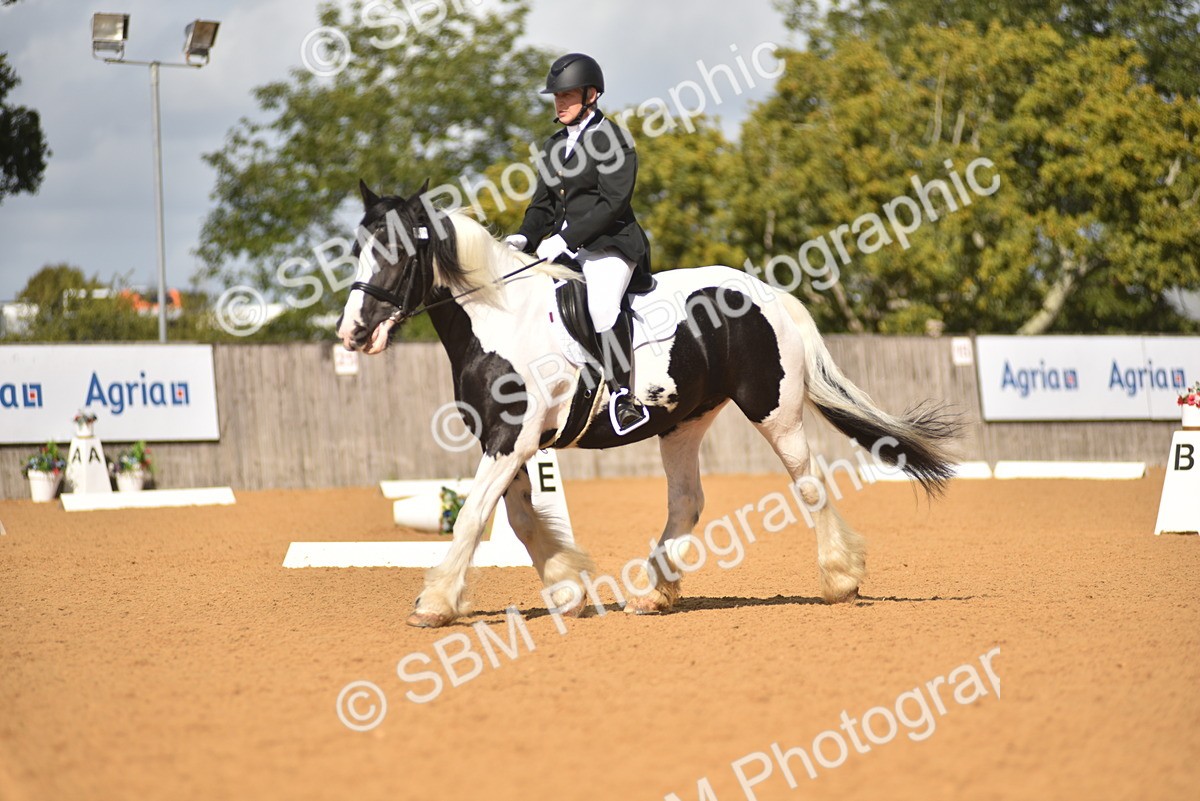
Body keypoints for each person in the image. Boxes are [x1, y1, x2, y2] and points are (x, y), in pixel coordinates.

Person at [505, 53, 652, 436]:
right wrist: (525, 236)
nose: (560, 103)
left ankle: (623, 397)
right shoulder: (554, 145)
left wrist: (565, 239)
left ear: (591, 95)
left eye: (567, 95)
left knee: (602, 307)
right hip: (564, 248)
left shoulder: (614, 140)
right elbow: (543, 204)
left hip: (610, 245)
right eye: (557, 96)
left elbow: (612, 203)